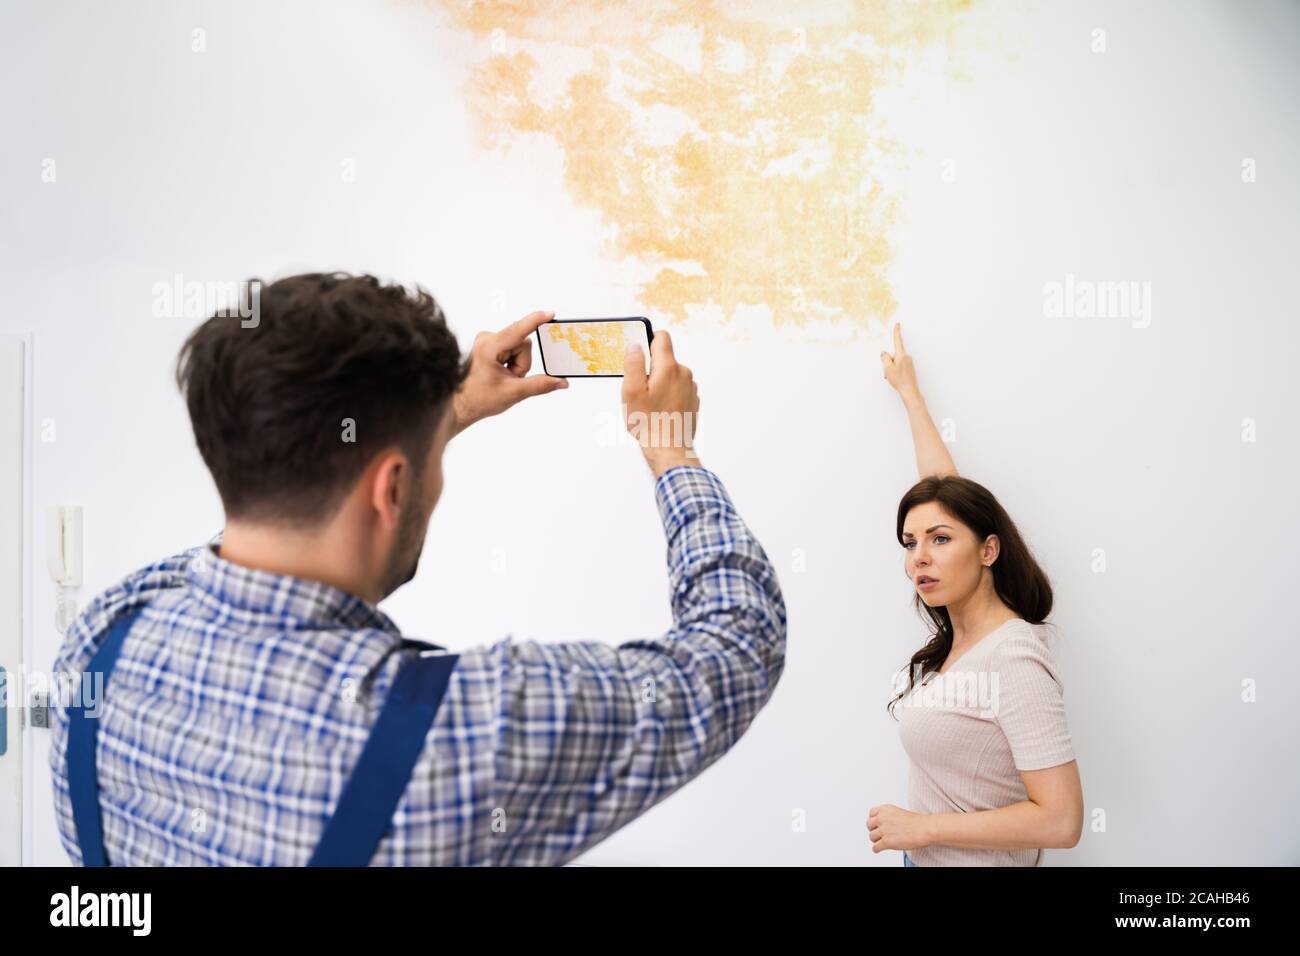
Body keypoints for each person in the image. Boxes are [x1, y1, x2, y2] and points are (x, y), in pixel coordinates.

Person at [48, 272, 786, 866]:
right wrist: (670, 447)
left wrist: (440, 413)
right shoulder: (467, 731)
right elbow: (734, 651)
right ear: (391, 488)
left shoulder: (104, 636)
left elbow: (280, 497)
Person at [867, 324, 1083, 866]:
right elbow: (949, 498)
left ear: (989, 551)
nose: (919, 556)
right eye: (910, 543)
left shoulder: (1012, 658)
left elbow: (1061, 821)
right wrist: (911, 395)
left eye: (939, 541)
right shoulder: (964, 638)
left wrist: (920, 830)